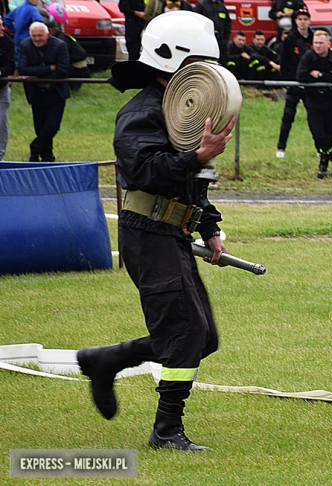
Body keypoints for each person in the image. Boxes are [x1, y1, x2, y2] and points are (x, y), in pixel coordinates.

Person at [76, 11, 235, 452]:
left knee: (203, 337)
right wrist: (198, 155)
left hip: (174, 234)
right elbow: (144, 171)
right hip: (147, 235)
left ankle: (104, 360)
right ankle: (166, 431)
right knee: (184, 335)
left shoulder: (182, 112)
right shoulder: (142, 113)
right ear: (172, 63)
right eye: (196, 65)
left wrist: (209, 226)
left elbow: (192, 183)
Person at [297, 30, 332, 178]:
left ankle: (326, 162)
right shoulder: (308, 57)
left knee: (331, 134)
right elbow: (301, 76)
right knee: (318, 134)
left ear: (328, 44)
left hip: (331, 101)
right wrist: (326, 80)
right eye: (316, 43)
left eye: (321, 43)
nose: (318, 46)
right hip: (313, 102)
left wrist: (319, 75)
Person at [17, 21, 70, 162]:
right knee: (40, 127)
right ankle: (46, 157)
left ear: (47, 35)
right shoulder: (25, 45)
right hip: (37, 93)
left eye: (40, 35)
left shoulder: (60, 45)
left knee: (52, 126)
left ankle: (35, 147)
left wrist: (35, 75)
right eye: (34, 36)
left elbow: (62, 72)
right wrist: (50, 68)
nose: (37, 38)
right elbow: (23, 69)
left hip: (56, 92)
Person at [275, 6, 312, 159]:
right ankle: (281, 148)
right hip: (293, 85)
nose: (303, 22)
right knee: (288, 117)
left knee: (314, 117)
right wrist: (287, 82)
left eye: (305, 19)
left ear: (309, 21)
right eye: (300, 19)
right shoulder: (290, 39)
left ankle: (320, 147)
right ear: (295, 21)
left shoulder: (314, 38)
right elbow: (284, 62)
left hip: (310, 86)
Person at [46, 21, 90, 92]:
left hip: (75, 62)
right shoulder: (63, 36)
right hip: (77, 60)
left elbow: (61, 53)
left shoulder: (61, 39)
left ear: (50, 31)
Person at [194, 0, 231, 64]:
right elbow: (196, 22)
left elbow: (228, 23)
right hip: (206, 40)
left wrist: (225, 39)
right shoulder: (201, 5)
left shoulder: (221, 6)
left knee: (222, 62)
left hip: (220, 41)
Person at [0, 17, 14, 161]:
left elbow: (10, 66)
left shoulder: (8, 43)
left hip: (1, 90)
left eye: (2, 25)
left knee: (1, 122)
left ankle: (0, 158)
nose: (2, 29)